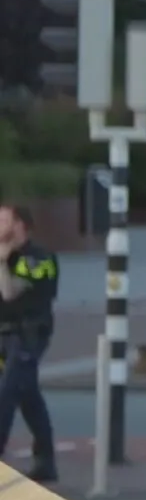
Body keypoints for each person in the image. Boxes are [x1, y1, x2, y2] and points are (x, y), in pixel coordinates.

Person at [0, 204, 59, 482]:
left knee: (6, 393)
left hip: (28, 336)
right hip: (3, 335)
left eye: (3, 220)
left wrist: (1, 262)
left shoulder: (39, 258)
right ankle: (46, 462)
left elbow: (10, 293)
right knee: (28, 397)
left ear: (20, 225)